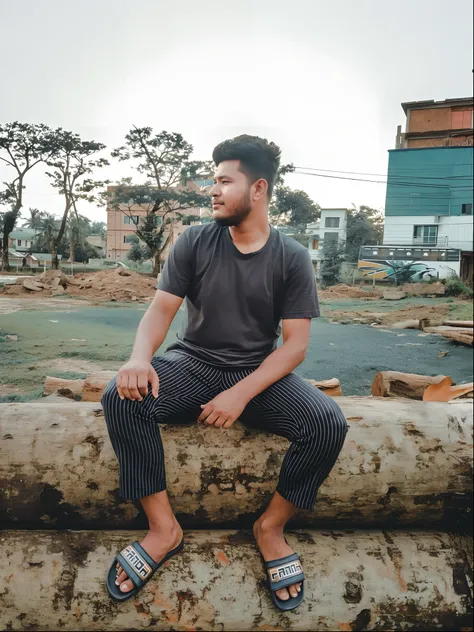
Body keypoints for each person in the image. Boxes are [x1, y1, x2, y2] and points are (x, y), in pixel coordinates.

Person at [103, 135, 349, 610]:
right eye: (212, 181)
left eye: (223, 181)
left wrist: (239, 394)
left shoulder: (292, 257)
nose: (212, 191)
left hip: (258, 374)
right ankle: (163, 529)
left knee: (327, 423)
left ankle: (270, 528)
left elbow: (295, 346)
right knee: (120, 396)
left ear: (258, 189)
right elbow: (160, 312)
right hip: (192, 363)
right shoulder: (195, 240)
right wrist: (137, 358)